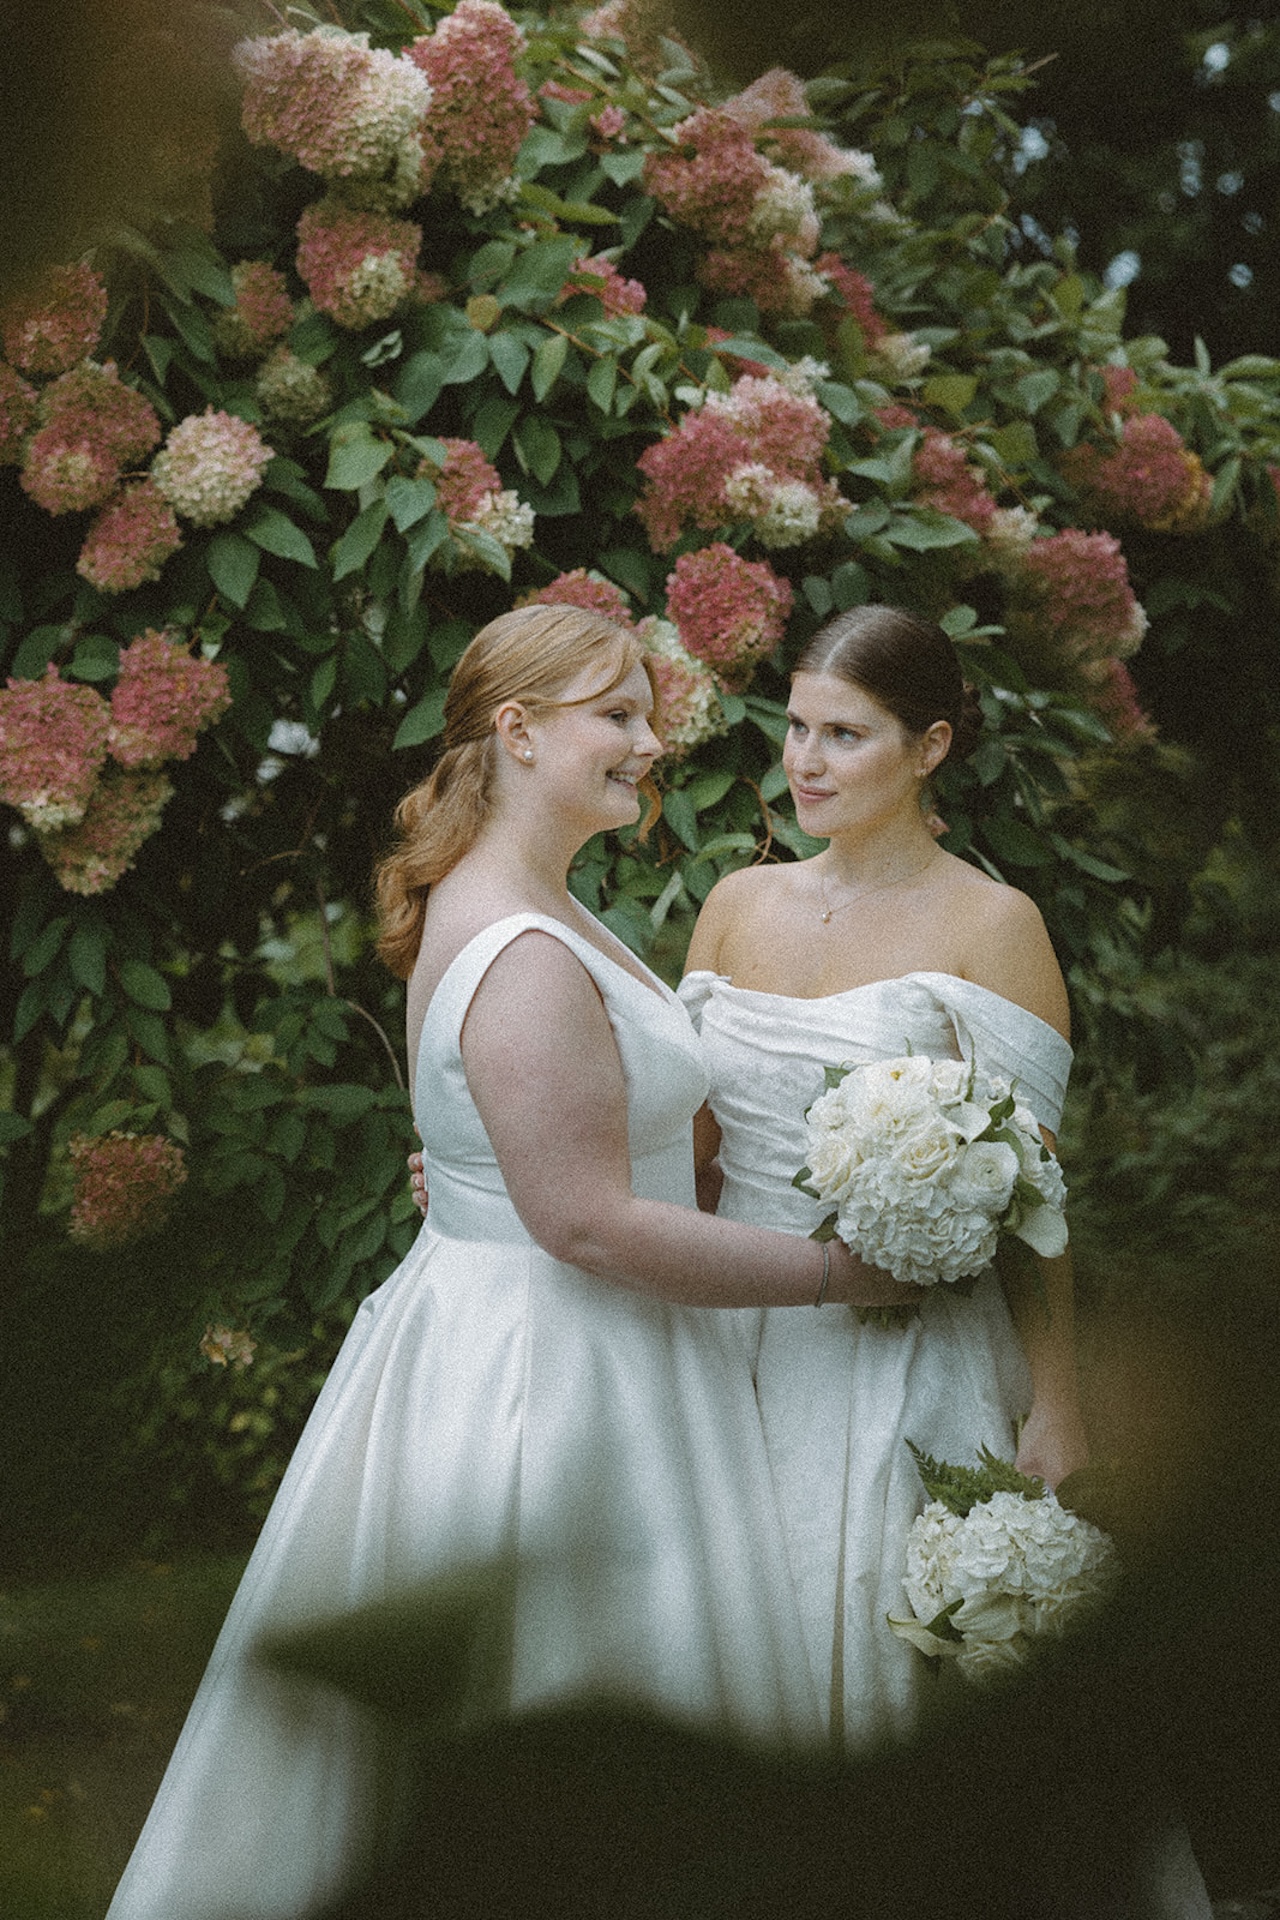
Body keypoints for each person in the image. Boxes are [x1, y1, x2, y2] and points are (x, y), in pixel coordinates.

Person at [105, 603, 919, 1920]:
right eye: (618, 714)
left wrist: (488, 1184)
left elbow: (539, 1162)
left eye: (648, 714)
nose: (651, 742)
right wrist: (842, 1275)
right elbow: (588, 1224)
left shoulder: (534, 901)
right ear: (518, 728)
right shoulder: (525, 943)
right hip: (559, 1377)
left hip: (559, 1331)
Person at [677, 602, 1087, 1752]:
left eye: (843, 735)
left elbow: (1036, 1199)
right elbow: (682, 1152)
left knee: (886, 1664)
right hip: (728, 1338)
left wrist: (1054, 1402)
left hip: (906, 1352)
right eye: (795, 727)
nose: (802, 762)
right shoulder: (733, 905)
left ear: (931, 746)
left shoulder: (991, 925)